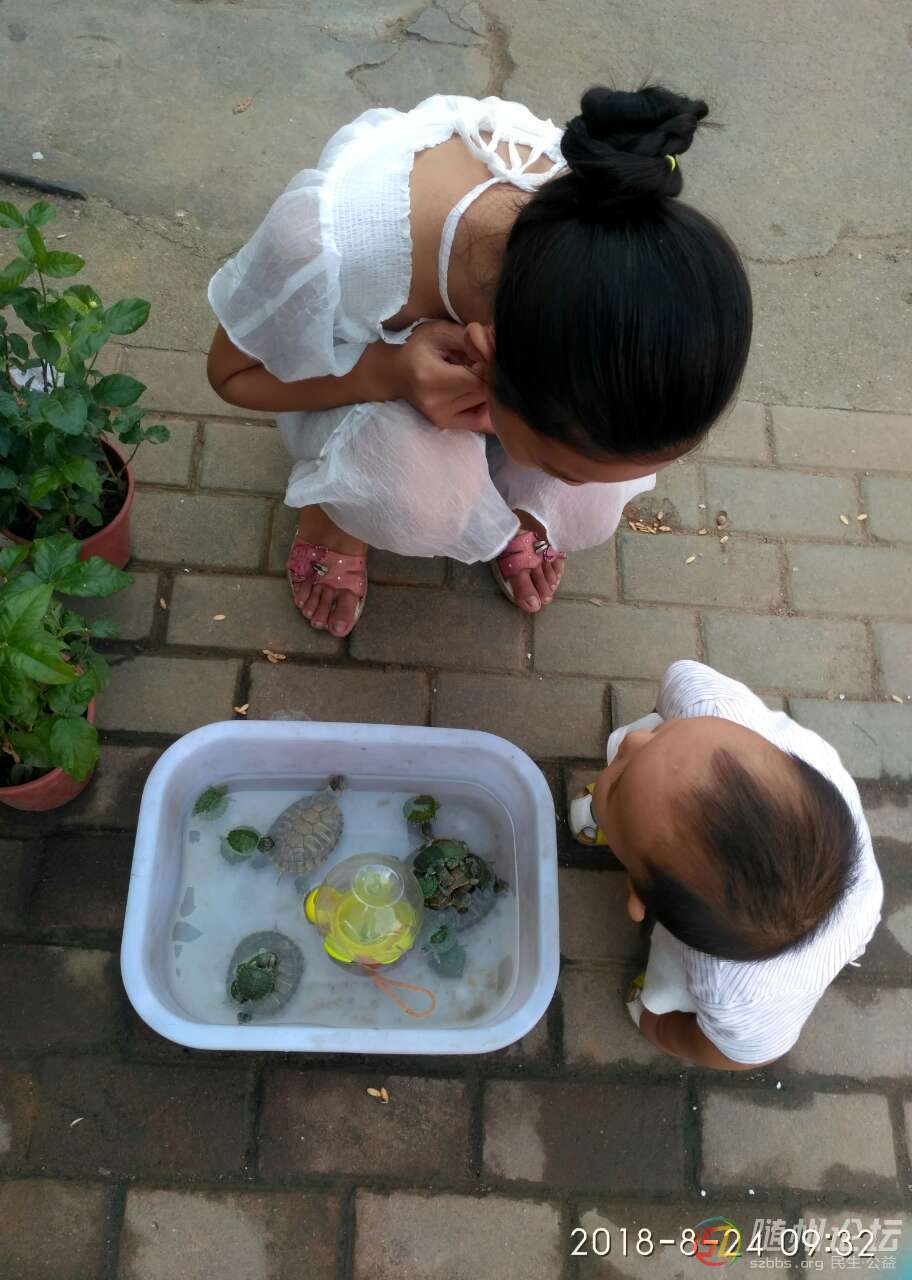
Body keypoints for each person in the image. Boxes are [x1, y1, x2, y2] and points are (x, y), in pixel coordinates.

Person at [207, 87, 752, 637]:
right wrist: (388, 372)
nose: (575, 483)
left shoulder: (611, 212)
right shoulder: (331, 241)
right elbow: (232, 376)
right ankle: (333, 512)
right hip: (345, 375)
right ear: (486, 363)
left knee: (588, 506)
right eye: (561, 472)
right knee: (418, 496)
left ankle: (510, 509)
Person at [568, 661, 883, 1070]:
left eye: (620, 783)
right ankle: (630, 811)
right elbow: (675, 700)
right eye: (663, 732)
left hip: (843, 922)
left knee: (675, 986)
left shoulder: (740, 993)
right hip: (828, 852)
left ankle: (628, 817)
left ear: (637, 898)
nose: (633, 740)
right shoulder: (711, 707)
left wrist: (662, 1029)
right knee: (660, 783)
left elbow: (738, 1054)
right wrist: (657, 773)